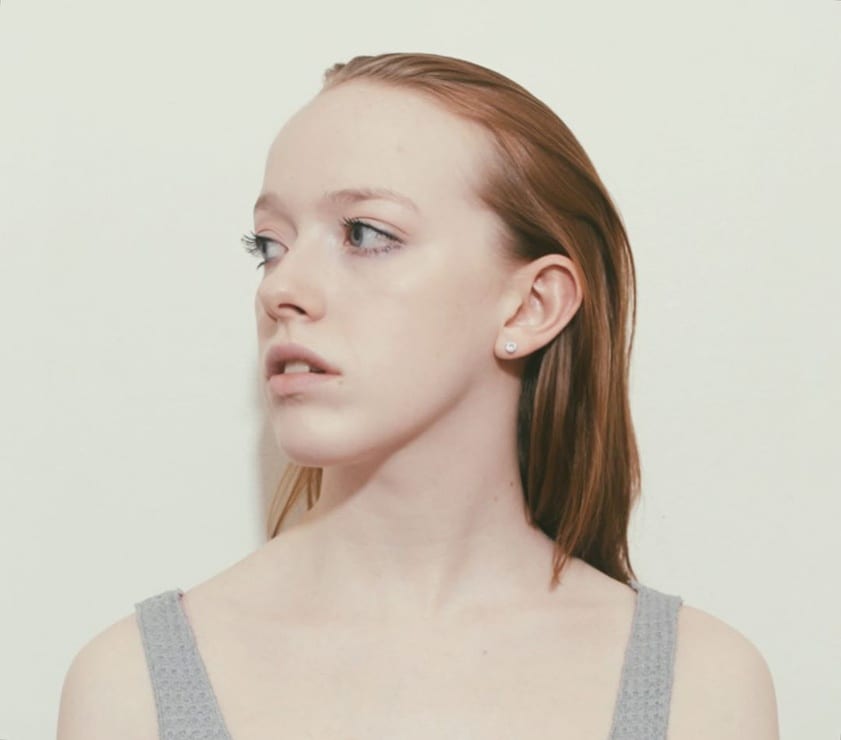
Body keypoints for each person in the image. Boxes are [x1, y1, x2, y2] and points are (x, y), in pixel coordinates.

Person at [57, 52, 779, 739]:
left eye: (365, 233)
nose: (281, 288)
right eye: (269, 245)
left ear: (531, 306)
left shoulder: (699, 690)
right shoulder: (132, 688)